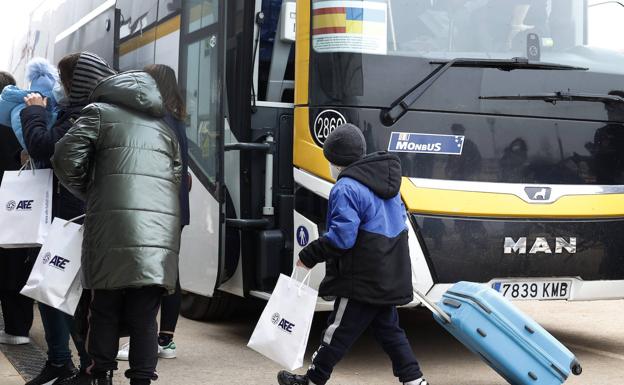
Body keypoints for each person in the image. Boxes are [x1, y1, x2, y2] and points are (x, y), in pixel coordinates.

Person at [52, 70, 182, 385]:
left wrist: (91, 191)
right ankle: (141, 380)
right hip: (158, 231)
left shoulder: (98, 113)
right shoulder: (165, 130)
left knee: (105, 306)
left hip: (111, 226)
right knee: (144, 314)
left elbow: (64, 157)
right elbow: (175, 178)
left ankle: (100, 375)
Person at [277, 124, 428, 385]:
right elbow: (398, 224)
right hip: (389, 271)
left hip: (362, 276)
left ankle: (313, 380)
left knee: (336, 332)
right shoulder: (388, 183)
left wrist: (310, 254)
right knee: (390, 332)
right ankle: (415, 381)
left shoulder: (346, 188)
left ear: (336, 160)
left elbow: (342, 239)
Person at [20, 52, 116, 385]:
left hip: (73, 218)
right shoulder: (101, 113)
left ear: (76, 83)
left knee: (61, 293)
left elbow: (42, 147)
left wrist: (33, 112)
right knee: (65, 293)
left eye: (64, 81)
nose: (61, 87)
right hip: (84, 215)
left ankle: (81, 367)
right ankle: (76, 366)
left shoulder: (81, 116)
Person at [116, 64, 190, 362]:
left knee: (146, 273)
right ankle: (166, 340)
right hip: (175, 207)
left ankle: (141, 339)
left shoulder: (156, 119)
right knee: (169, 271)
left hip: (157, 209)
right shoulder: (177, 119)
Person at [0, 70, 36, 347]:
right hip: (23, 204)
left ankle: (14, 328)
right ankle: (19, 327)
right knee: (17, 263)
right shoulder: (24, 119)